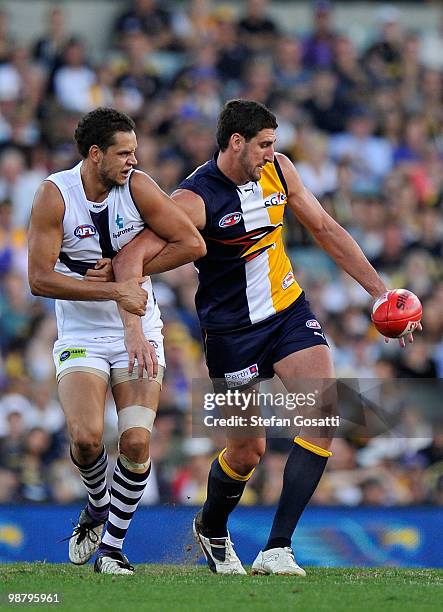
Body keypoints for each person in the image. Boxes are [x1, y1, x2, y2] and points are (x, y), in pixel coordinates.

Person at [112, 99, 420, 576]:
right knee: (247, 449)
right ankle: (212, 526)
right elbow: (134, 256)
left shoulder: (279, 170)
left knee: (322, 413)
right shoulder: (194, 200)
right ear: (236, 143)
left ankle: (278, 548)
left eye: (274, 145)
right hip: (230, 334)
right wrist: (128, 313)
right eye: (264, 145)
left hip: (288, 312)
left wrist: (381, 292)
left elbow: (323, 226)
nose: (272, 153)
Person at [27, 107, 205, 575]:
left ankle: (111, 548)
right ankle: (95, 504)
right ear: (94, 154)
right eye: (123, 153)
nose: (132, 160)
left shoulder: (139, 187)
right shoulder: (55, 195)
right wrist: (113, 288)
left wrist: (134, 267)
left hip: (140, 328)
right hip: (82, 332)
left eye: (135, 151)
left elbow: (191, 243)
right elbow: (39, 280)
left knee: (136, 442)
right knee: (87, 440)